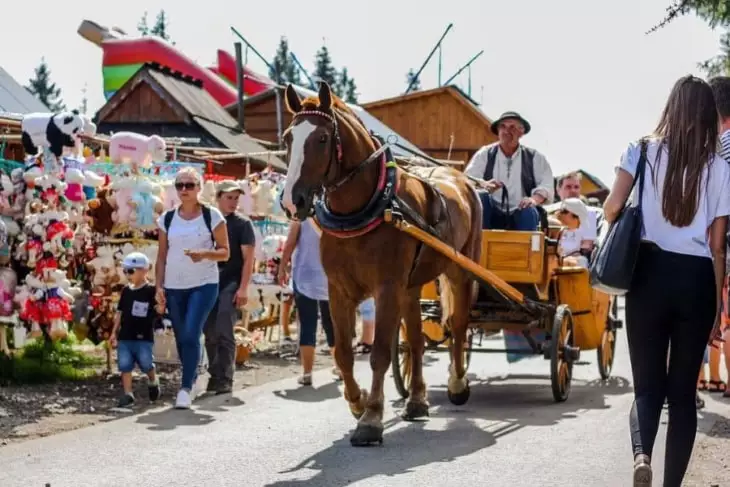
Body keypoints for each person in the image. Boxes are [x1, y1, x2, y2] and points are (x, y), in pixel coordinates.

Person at [602, 75, 730, 487]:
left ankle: (642, 456)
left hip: (648, 275)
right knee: (682, 398)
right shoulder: (719, 167)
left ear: (670, 107)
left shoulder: (640, 150)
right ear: (708, 114)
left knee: (647, 389)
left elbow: (611, 209)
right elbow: (717, 244)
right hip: (696, 280)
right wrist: (717, 305)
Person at [155, 167, 230, 409]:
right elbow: (161, 257)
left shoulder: (212, 215)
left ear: (199, 188)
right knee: (181, 337)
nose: (184, 190)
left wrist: (204, 254)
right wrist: (158, 286)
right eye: (180, 185)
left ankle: (185, 388)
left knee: (190, 332)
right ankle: (198, 367)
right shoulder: (167, 219)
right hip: (174, 285)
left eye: (189, 185)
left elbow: (225, 252)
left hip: (204, 283)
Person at [204, 180, 256, 395]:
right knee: (209, 331)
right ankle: (214, 375)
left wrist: (243, 288)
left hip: (230, 281)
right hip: (207, 281)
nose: (233, 202)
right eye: (229, 197)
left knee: (225, 327)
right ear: (218, 198)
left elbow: (249, 259)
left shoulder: (243, 224)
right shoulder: (207, 221)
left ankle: (226, 377)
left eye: (236, 198)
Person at [464, 111, 554, 230]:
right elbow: (467, 180)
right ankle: (480, 245)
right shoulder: (485, 154)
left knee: (530, 211)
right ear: (498, 131)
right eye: (503, 127)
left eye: (512, 127)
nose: (507, 131)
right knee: (482, 198)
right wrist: (483, 185)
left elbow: (546, 185)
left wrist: (532, 200)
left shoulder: (535, 157)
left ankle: (525, 248)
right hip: (490, 213)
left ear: (521, 132)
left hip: (521, 212)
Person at [278, 219, 337, 386]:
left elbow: (290, 243)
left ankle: (307, 372)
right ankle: (339, 367)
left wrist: (282, 267)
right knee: (331, 323)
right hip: (331, 275)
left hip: (305, 275)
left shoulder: (301, 215)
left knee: (307, 323)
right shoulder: (333, 212)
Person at [109, 252, 161, 408]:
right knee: (124, 364)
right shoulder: (126, 291)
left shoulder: (151, 291)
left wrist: (160, 309)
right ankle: (128, 394)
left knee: (146, 362)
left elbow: (158, 309)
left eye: (131, 271)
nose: (128, 275)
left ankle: (153, 380)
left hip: (144, 335)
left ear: (144, 270)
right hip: (126, 334)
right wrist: (113, 332)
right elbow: (120, 312)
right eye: (125, 271)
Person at [555, 172, 598, 246]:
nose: (573, 191)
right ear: (558, 190)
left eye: (576, 187)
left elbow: (587, 246)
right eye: (568, 187)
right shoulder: (549, 212)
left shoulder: (589, 214)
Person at [555, 198, 591, 268]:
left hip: (572, 260)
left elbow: (588, 247)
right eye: (563, 211)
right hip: (555, 260)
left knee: (582, 261)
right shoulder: (554, 226)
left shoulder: (582, 230)